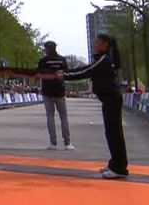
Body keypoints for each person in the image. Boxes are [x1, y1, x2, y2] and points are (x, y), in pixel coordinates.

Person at [53, 33, 128, 179]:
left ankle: (119, 168)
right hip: (109, 99)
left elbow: (86, 72)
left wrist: (65, 76)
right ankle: (115, 164)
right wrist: (65, 72)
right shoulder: (102, 59)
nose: (95, 44)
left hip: (111, 98)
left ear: (105, 44)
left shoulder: (104, 60)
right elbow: (85, 68)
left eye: (98, 42)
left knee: (114, 133)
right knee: (112, 132)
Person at [36, 41, 73, 151]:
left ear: (46, 49)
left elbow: (38, 74)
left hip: (47, 91)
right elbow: (66, 74)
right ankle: (67, 143)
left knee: (50, 117)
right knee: (64, 117)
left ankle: (53, 143)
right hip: (60, 91)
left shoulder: (43, 61)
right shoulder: (62, 60)